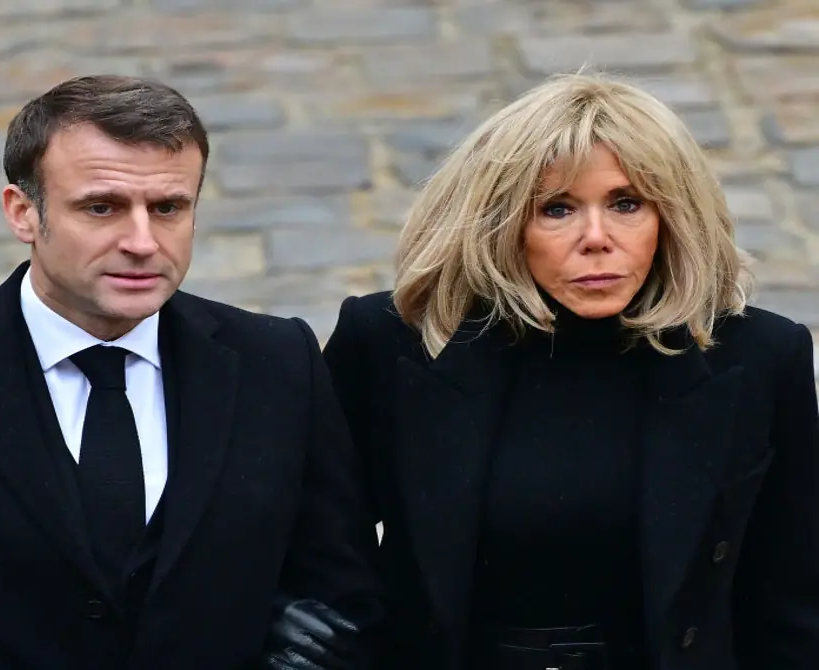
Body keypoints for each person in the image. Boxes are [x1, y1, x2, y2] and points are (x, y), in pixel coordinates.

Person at [0, 74, 382, 670]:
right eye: (101, 207)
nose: (142, 241)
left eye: (168, 208)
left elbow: (345, 597)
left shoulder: (278, 364)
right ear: (23, 213)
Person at [317, 73, 819, 669]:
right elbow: (313, 542)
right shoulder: (390, 342)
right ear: (501, 224)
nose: (596, 239)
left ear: (672, 216)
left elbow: (791, 603)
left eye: (627, 204)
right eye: (557, 209)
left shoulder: (759, 355)